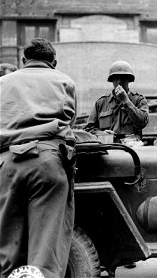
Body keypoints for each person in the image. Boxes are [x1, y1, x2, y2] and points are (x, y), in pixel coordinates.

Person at [0, 38, 76, 277]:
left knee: (7, 248)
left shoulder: (2, 83)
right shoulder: (64, 80)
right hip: (48, 162)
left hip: (7, 163)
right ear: (53, 62)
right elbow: (70, 123)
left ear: (23, 61)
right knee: (45, 251)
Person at [85, 60, 149, 143]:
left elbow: (142, 122)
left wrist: (126, 101)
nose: (119, 82)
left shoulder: (138, 100)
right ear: (111, 80)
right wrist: (102, 133)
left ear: (129, 80)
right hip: (108, 148)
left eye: (123, 77)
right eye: (116, 78)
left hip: (131, 149)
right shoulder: (101, 102)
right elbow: (89, 128)